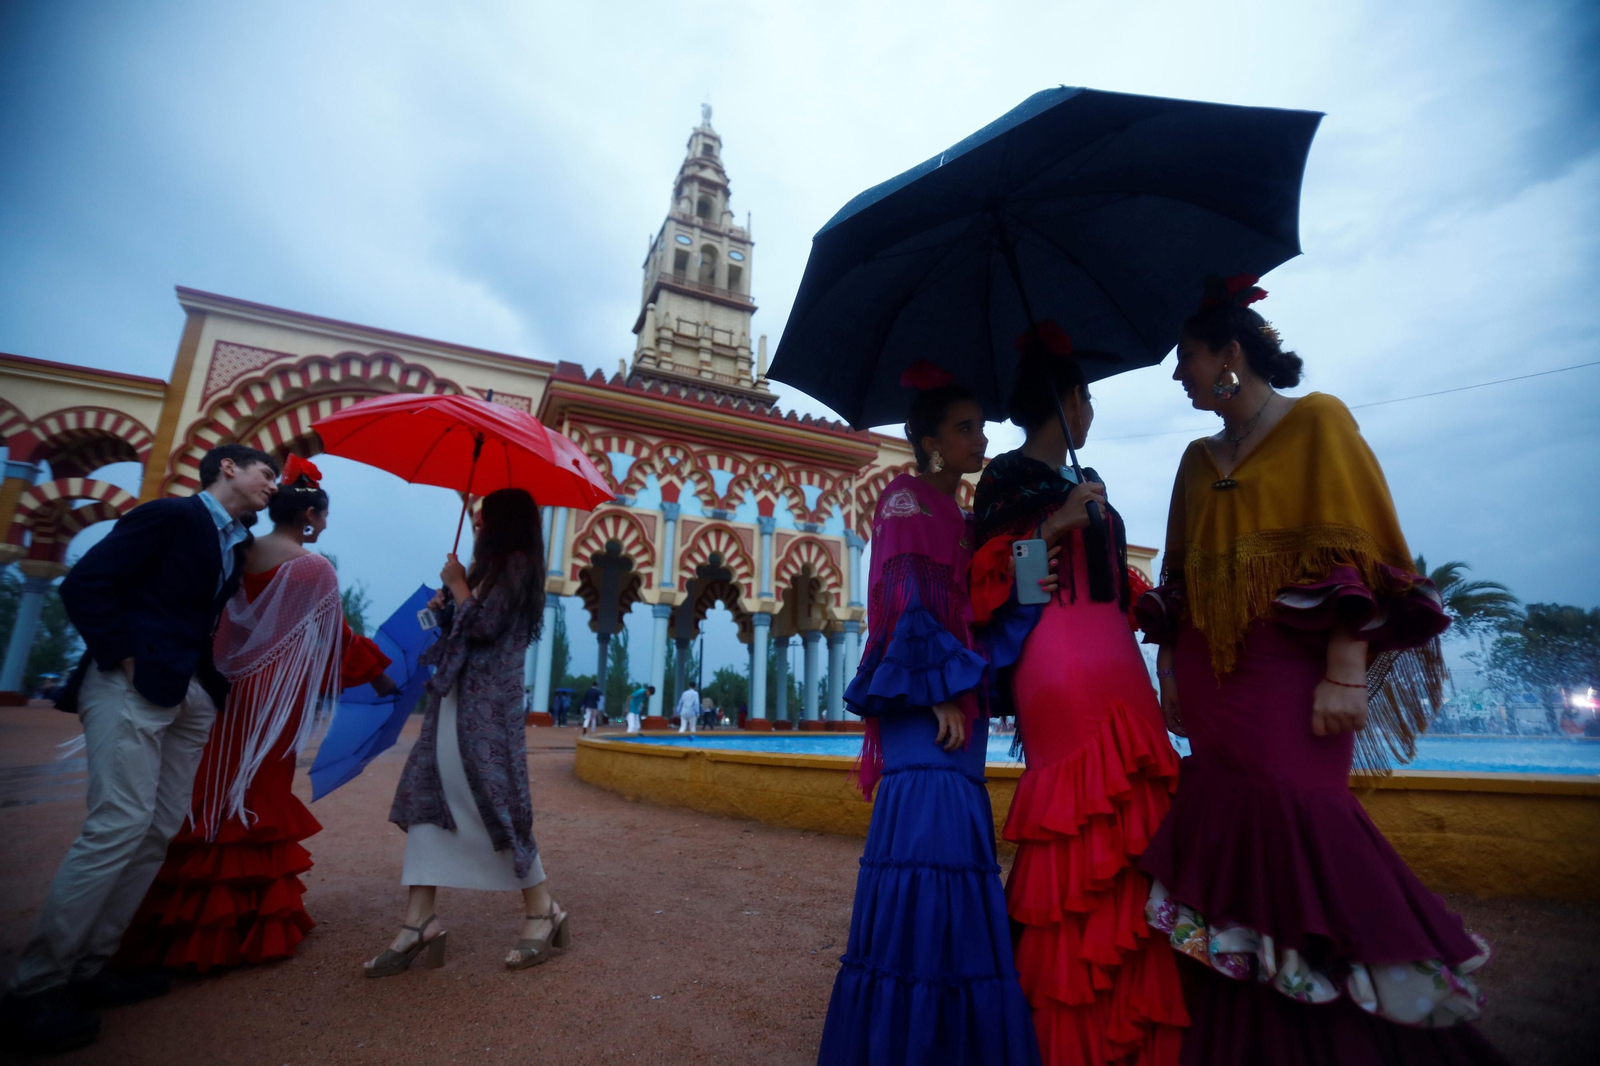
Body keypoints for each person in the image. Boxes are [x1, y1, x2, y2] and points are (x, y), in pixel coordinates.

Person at [1136, 277, 1507, 1063]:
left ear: (1230, 353)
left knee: (1304, 817)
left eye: (1188, 358)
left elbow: (1357, 554)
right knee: (1229, 837)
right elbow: (1179, 582)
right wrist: (1170, 667)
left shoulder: (1319, 422)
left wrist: (1345, 670)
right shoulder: (1195, 461)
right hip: (1212, 684)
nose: (1179, 376)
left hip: (1294, 680)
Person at [0, 444, 278, 1054]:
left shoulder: (232, 543)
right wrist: (124, 657)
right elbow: (87, 584)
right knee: (118, 823)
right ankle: (34, 987)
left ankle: (90, 966)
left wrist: (205, 685)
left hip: (184, 692)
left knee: (156, 827)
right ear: (227, 467)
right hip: (131, 684)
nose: (273, 483)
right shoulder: (172, 516)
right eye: (267, 471)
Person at [970, 324, 1187, 1064]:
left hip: (1115, 654)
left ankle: (1136, 1018)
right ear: (1066, 400)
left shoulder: (1083, 475)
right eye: (1085, 394)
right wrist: (1051, 526)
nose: (1090, 407)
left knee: (1136, 825)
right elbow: (1001, 590)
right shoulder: (1006, 479)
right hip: (1056, 655)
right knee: (1079, 829)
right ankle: (1072, 1029)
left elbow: (1114, 583)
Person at [818, 363, 1038, 1066]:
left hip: (958, 718)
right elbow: (906, 602)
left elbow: (985, 616)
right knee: (928, 872)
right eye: (966, 426)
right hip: (926, 714)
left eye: (982, 425)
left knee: (954, 878)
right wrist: (934, 688)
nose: (981, 437)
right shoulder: (905, 502)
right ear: (930, 440)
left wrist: (1047, 541)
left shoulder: (967, 518)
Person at [117, 456, 395, 972]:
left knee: (207, 789)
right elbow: (337, 637)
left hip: (221, 686)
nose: (325, 527)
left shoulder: (240, 552)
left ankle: (174, 915)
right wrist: (381, 675)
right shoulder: (313, 568)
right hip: (274, 697)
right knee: (256, 797)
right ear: (309, 515)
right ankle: (242, 925)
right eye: (324, 517)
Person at [370, 488, 569, 976]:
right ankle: (419, 920)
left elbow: (484, 626)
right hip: (453, 702)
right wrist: (446, 602)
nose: (477, 527)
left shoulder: (517, 565)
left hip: (487, 711)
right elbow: (463, 625)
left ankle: (543, 909)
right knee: (429, 795)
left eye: (485, 520)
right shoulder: (487, 572)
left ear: (505, 525)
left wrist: (459, 587)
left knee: (492, 800)